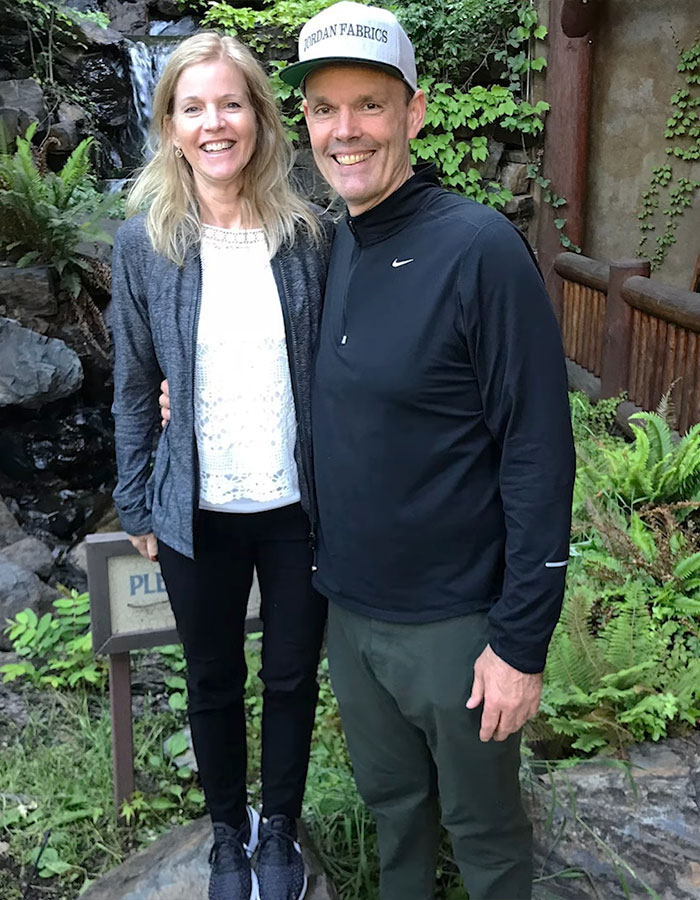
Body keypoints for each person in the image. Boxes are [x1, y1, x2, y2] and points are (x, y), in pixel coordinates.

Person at [161, 4, 576, 898]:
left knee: (488, 834)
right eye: (323, 108)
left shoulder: (479, 251)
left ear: (415, 113)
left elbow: (539, 453)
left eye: (370, 105)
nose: (344, 130)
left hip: (458, 626)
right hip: (346, 613)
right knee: (396, 814)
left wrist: (521, 641)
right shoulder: (325, 244)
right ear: (303, 123)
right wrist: (179, 404)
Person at [111, 31, 332, 900]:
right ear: (169, 124)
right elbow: (134, 384)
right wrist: (137, 501)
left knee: (288, 675)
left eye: (230, 103)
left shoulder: (308, 234)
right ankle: (224, 834)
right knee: (210, 678)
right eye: (193, 107)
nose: (214, 123)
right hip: (196, 506)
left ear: (258, 117)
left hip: (294, 505)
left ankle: (278, 828)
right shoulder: (144, 245)